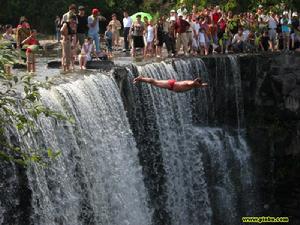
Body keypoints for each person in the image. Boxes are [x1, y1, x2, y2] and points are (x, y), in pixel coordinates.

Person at [133, 76, 208, 93]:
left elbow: (201, 85)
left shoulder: (197, 85)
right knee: (154, 82)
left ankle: (141, 79)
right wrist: (196, 81)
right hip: (171, 85)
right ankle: (141, 79)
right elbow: (193, 82)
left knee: (155, 82)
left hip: (172, 84)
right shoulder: (192, 83)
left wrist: (204, 85)